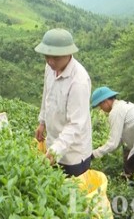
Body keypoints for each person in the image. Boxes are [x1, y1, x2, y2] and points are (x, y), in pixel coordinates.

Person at [34, 28, 93, 177]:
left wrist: (55, 151)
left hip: (74, 156)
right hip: (53, 145)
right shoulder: (50, 67)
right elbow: (47, 95)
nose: (50, 61)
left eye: (56, 58)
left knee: (73, 196)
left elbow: (75, 124)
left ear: (68, 54)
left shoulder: (78, 81)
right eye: (47, 56)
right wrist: (42, 122)